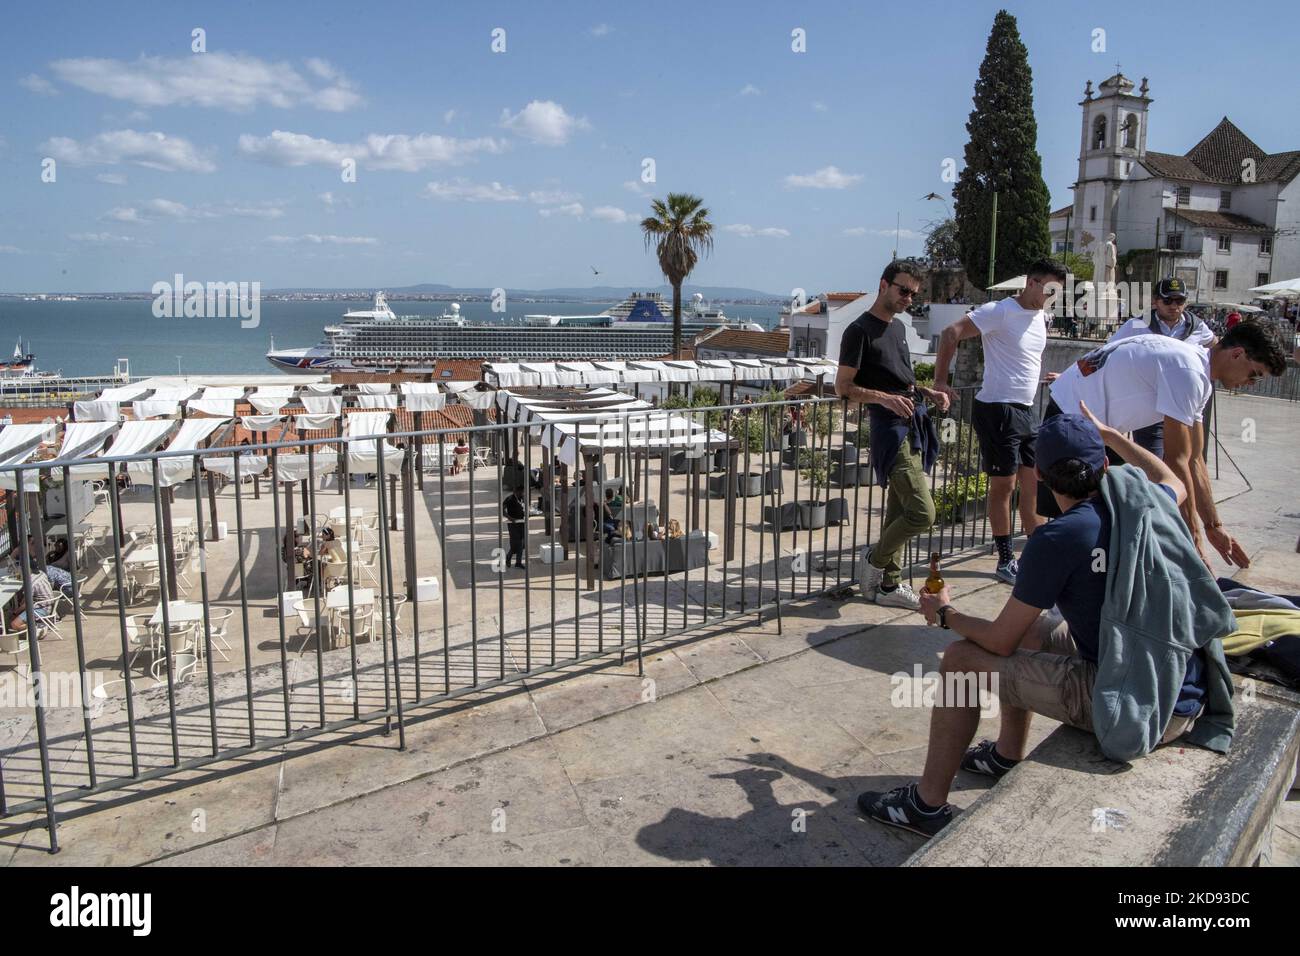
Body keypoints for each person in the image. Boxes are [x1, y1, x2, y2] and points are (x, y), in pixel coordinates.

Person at [857, 408, 1235, 838]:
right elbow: (1173, 479)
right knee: (1035, 630)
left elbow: (999, 641)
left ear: (1040, 476)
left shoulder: (1058, 538)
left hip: (1143, 705)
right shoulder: (1141, 504)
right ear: (1106, 466)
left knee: (962, 658)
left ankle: (926, 804)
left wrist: (944, 614)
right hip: (1176, 677)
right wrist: (1113, 435)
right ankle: (1006, 754)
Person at [1041, 322, 1287, 568]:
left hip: (1098, 427)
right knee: (1083, 524)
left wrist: (1213, 526)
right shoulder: (1188, 371)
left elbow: (1194, 459)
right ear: (1237, 354)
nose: (1250, 383)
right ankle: (1055, 592)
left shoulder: (1196, 370)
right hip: (1072, 419)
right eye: (1254, 374)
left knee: (1116, 519)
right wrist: (1195, 541)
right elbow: (1176, 460)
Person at [934, 257, 1065, 584]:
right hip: (997, 409)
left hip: (1026, 408)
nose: (1052, 296)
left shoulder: (1041, 318)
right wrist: (940, 381)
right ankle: (1005, 560)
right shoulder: (1000, 310)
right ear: (1032, 282)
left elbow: (1025, 359)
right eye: (1049, 289)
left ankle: (1035, 554)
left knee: (1033, 482)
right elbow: (950, 333)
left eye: (1057, 292)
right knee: (1003, 486)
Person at [835, 260, 950, 608]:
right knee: (922, 512)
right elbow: (843, 387)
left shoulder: (899, 329)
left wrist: (926, 392)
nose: (908, 298)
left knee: (899, 509)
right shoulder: (858, 331)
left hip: (913, 425)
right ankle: (874, 561)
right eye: (903, 290)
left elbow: (903, 380)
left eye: (914, 294)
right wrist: (883, 398)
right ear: (884, 284)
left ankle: (889, 586)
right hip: (890, 432)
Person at [1107, 277, 1216, 457]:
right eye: (1167, 300)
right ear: (1155, 301)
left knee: (1185, 458)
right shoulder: (1137, 325)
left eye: (1179, 301)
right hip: (1151, 404)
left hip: (1184, 404)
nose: (1174, 306)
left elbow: (1214, 346)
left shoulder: (1197, 327)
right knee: (1153, 459)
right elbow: (1107, 352)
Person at [503, 486, 527, 568]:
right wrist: (510, 518)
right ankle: (510, 558)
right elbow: (502, 510)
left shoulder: (522, 498)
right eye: (520, 492)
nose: (521, 493)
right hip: (513, 524)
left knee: (523, 543)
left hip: (521, 523)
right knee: (517, 543)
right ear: (515, 491)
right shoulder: (509, 499)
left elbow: (523, 507)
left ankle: (517, 562)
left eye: (522, 492)